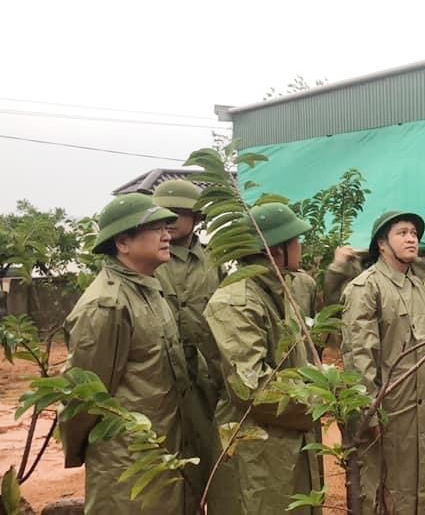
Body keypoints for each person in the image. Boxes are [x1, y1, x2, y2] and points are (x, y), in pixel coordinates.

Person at [61, 193, 190, 514]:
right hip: (126, 463)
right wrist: (82, 451)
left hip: (160, 452)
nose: (167, 235)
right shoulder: (107, 305)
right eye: (156, 228)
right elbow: (86, 397)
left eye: (167, 227)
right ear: (123, 243)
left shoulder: (150, 289)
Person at [202, 203, 322, 514]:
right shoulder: (236, 300)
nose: (301, 246)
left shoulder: (288, 288)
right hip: (257, 449)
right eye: (295, 240)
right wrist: (320, 398)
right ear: (276, 248)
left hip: (288, 439)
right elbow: (252, 387)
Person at [340, 211, 425, 514]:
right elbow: (359, 355)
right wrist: (368, 412)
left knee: (418, 486)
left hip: (421, 407)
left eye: (414, 232)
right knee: (383, 488)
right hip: (388, 410)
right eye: (402, 232)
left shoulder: (419, 286)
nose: (412, 238)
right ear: (382, 244)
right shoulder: (366, 288)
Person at [151, 179, 225, 509]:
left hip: (207, 374)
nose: (170, 221)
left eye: (179, 213)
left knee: (213, 456)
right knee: (167, 464)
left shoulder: (213, 261)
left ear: (196, 217)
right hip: (162, 374)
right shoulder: (151, 259)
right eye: (164, 214)